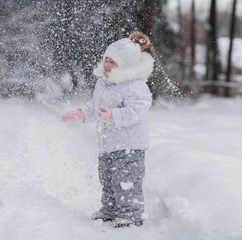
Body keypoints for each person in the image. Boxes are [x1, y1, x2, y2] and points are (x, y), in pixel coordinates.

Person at [62, 32, 154, 227]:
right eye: (106, 60)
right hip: (108, 144)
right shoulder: (103, 82)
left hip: (130, 145)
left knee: (126, 180)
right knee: (108, 178)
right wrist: (82, 113)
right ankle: (110, 209)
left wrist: (113, 115)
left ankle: (130, 213)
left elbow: (136, 112)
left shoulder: (135, 86)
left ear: (125, 65)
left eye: (113, 62)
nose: (107, 65)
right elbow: (97, 107)